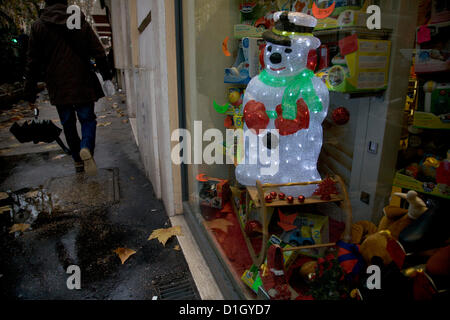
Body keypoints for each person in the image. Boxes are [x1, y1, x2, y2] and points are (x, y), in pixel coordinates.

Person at [24, 0, 113, 176]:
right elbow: (98, 50)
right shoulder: (77, 19)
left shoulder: (38, 26)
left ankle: (77, 160)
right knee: (87, 119)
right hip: (82, 79)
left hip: (57, 83)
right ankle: (86, 147)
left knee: (68, 122)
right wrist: (107, 75)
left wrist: (30, 92)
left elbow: (32, 62)